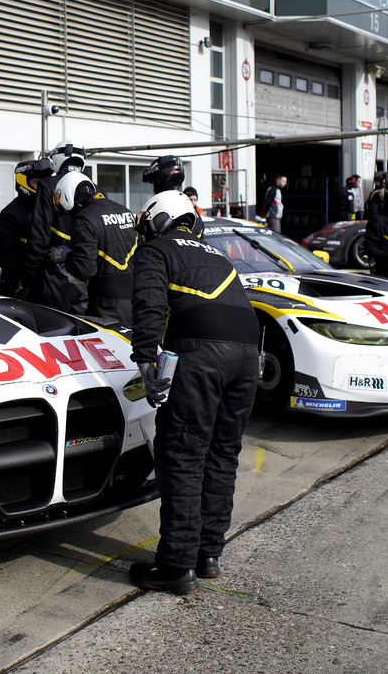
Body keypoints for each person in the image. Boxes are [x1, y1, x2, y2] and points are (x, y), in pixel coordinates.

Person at [127, 191, 259, 595]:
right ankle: (207, 555)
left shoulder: (157, 251)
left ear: (157, 221)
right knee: (222, 455)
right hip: (247, 356)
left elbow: (148, 306)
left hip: (200, 354)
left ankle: (175, 566)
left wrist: (147, 361)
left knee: (183, 456)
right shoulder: (218, 256)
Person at [53, 171, 137, 327]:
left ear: (68, 195)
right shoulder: (124, 210)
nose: (69, 215)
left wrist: (66, 256)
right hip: (136, 298)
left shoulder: (84, 218)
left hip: (107, 303)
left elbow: (84, 269)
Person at [21, 141, 88, 313]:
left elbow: (38, 235)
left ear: (58, 158)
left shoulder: (49, 185)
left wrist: (27, 278)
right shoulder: (93, 187)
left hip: (54, 274)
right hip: (86, 271)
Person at [0, 159, 53, 297]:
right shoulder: (11, 214)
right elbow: (5, 254)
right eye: (38, 183)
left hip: (49, 285)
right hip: (24, 289)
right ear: (23, 182)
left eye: (46, 183)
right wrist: (20, 283)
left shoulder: (50, 210)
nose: (43, 188)